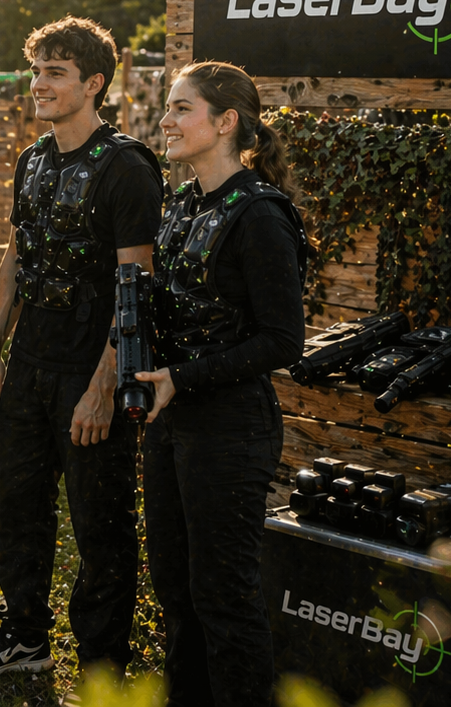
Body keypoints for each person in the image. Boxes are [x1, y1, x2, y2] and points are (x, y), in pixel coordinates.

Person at [0, 17, 164, 680]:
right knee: (15, 506)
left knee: (99, 525)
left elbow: (139, 284)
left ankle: (103, 669)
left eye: (56, 72)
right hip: (31, 364)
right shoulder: (35, 157)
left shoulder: (126, 166)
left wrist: (104, 384)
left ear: (93, 83)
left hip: (88, 367)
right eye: (37, 69)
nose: (40, 83)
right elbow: (18, 253)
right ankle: (25, 636)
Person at [133, 62, 308, 707]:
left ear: (226, 121)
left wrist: (183, 376)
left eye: (182, 109)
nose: (166, 121)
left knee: (223, 597)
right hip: (169, 421)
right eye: (168, 108)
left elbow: (282, 340)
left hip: (230, 430)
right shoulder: (180, 205)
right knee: (175, 589)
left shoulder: (260, 213)